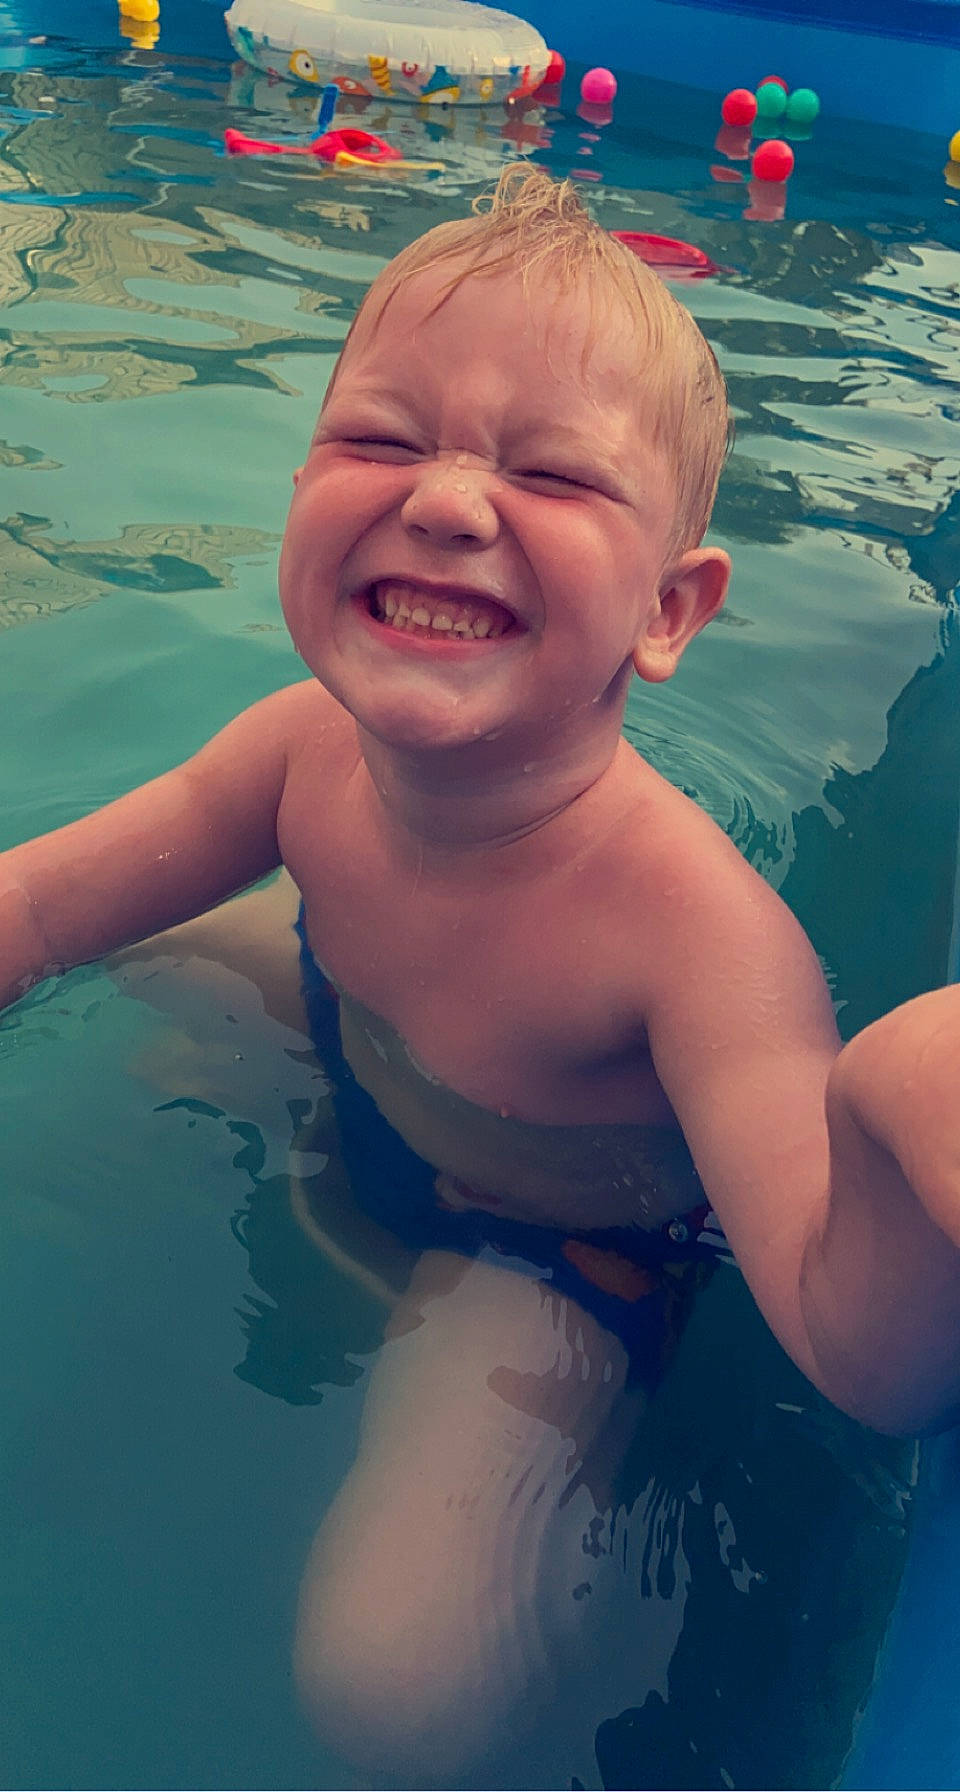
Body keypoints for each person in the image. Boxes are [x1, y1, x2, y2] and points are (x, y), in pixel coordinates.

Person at [2, 164, 959, 1783]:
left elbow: (845, 1341)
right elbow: (39, 907)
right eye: (383, 439)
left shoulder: (694, 934)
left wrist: (891, 1124)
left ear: (670, 612)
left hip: (551, 1247)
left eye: (550, 473)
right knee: (143, 958)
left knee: (389, 1694)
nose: (446, 501)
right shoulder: (300, 751)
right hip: (340, 1028)